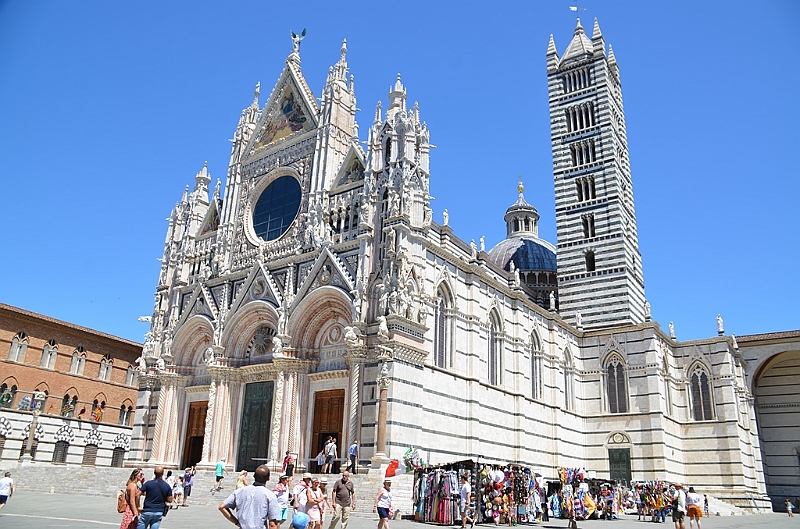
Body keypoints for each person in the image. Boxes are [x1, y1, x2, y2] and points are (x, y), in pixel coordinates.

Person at [218, 464, 281, 529]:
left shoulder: (239, 491)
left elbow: (221, 507)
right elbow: (273, 524)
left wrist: (237, 522)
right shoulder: (270, 495)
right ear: (268, 478)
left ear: (254, 476)